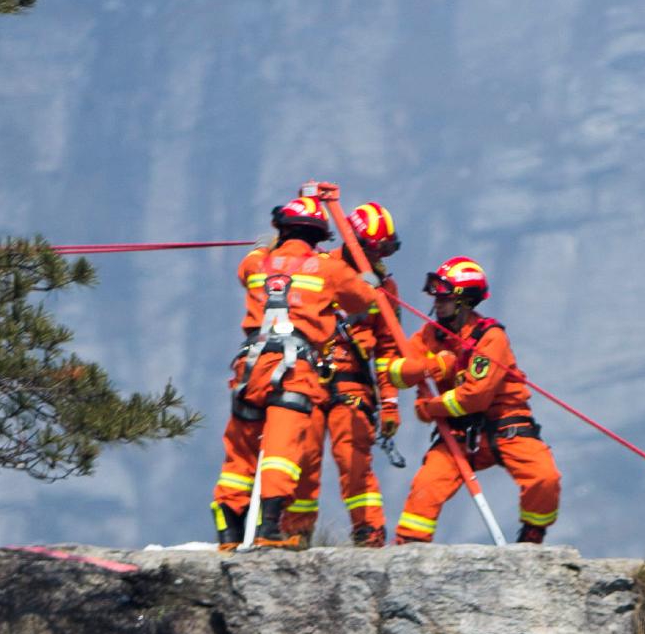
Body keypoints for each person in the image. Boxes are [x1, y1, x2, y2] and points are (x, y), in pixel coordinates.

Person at [212, 194, 379, 550]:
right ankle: (269, 527)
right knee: (281, 449)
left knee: (239, 451)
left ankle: (228, 533)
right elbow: (364, 300)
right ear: (319, 235)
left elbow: (248, 266)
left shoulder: (258, 263)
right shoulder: (328, 269)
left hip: (250, 367)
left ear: (282, 227)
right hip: (294, 369)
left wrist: (262, 246)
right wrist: (369, 280)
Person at [383, 257, 562, 546]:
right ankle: (408, 547)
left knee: (544, 478)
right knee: (426, 486)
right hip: (458, 434)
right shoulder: (430, 335)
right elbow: (396, 373)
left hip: (508, 426)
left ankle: (532, 536)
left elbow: (474, 398)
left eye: (444, 298)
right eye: (436, 297)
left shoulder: (490, 338)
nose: (436, 303)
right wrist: (433, 367)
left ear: (464, 302)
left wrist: (430, 408)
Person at [282, 199, 408, 546]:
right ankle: (295, 531)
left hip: (352, 379)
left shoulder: (384, 287)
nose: (380, 257)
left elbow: (387, 349)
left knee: (353, 458)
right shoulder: (317, 267)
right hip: (306, 372)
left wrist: (391, 402)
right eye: (375, 248)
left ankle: (368, 531)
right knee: (302, 457)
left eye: (386, 249)